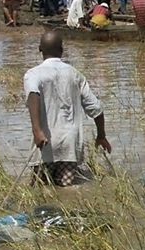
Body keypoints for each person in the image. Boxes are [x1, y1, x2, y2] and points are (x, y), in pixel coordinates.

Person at [24, 32, 112, 186]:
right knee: (66, 190)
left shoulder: (33, 74)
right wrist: (101, 136)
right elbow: (96, 108)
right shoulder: (75, 74)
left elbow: (33, 95)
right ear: (62, 50)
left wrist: (37, 131)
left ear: (40, 49)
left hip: (45, 141)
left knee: (40, 190)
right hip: (69, 144)